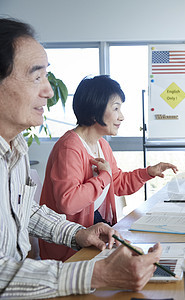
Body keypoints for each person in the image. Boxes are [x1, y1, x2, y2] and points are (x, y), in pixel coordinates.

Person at [0, 18, 163, 298]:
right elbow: (71, 199)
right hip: (60, 264)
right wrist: (96, 274)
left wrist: (77, 233)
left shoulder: (17, 149)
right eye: (36, 76)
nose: (50, 91)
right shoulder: (69, 146)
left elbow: (26, 211)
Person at [39, 75, 178, 261]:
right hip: (70, 250)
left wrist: (148, 172)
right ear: (94, 112)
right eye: (116, 108)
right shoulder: (69, 147)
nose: (121, 116)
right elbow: (68, 202)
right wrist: (103, 177)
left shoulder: (102, 145)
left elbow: (118, 182)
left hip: (95, 236)